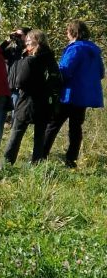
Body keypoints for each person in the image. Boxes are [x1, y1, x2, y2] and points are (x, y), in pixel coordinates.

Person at [40, 20, 104, 168]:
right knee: (76, 128)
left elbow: (65, 71)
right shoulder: (94, 50)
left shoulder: (75, 49)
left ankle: (41, 155)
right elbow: (101, 73)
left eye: (68, 31)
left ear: (72, 32)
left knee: (53, 124)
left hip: (70, 94)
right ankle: (71, 160)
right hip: (83, 96)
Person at [2, 29, 60, 167]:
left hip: (28, 101)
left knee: (17, 132)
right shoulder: (51, 59)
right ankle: (37, 163)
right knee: (39, 135)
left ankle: (7, 163)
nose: (26, 46)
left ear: (34, 44)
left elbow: (20, 81)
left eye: (28, 43)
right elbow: (57, 81)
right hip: (45, 102)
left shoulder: (29, 60)